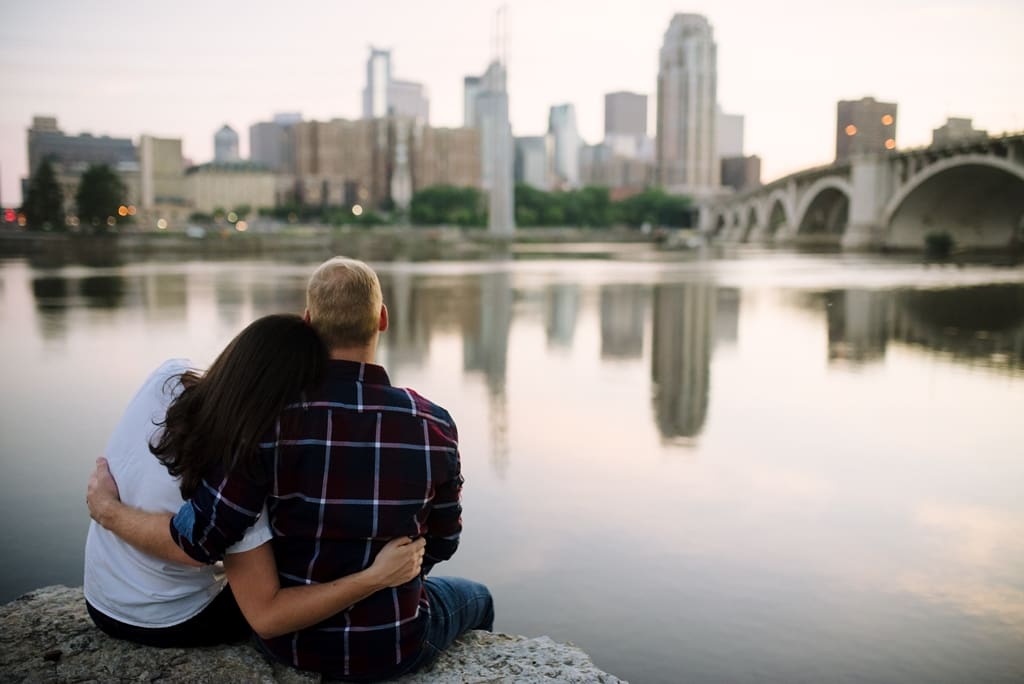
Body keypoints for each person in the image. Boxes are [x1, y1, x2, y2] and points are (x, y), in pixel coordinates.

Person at [89, 257, 493, 681]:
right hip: (393, 641)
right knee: (478, 598)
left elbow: (201, 537)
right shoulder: (434, 424)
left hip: (292, 643)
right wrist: (388, 572)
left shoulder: (266, 423)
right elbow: (444, 541)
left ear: (308, 322)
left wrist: (109, 510)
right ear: (383, 319)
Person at [85, 313, 426, 648]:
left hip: (101, 598)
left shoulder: (170, 376)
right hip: (172, 619)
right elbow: (267, 617)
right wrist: (375, 578)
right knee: (310, 579)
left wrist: (107, 509)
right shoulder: (240, 475)